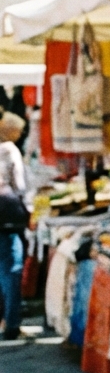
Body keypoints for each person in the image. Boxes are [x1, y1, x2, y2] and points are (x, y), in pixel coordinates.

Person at [0, 113, 25, 340]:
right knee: (11, 270)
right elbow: (19, 184)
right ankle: (12, 323)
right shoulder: (8, 150)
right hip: (5, 217)